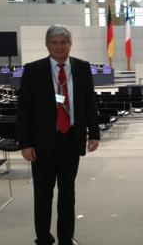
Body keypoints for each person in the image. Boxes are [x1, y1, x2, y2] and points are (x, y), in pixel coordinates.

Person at [18, 24, 100, 245]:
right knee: (43, 196)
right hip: (42, 144)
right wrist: (25, 144)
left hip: (71, 140)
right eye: (54, 42)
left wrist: (94, 133)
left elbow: (89, 103)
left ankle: (66, 237)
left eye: (63, 42)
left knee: (67, 194)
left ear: (70, 45)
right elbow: (23, 110)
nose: (59, 46)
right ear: (47, 46)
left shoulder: (82, 68)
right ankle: (43, 238)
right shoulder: (33, 70)